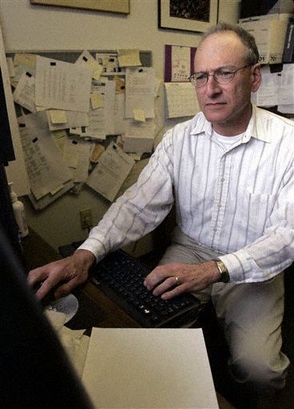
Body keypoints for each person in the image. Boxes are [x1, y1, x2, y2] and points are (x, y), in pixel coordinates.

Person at [28, 23, 294, 407]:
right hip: (189, 251)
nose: (211, 89)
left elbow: (286, 236)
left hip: (253, 262)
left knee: (260, 369)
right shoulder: (177, 139)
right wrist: (86, 253)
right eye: (201, 76)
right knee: (144, 337)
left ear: (254, 78)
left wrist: (215, 269)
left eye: (224, 73)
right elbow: (138, 204)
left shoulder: (287, 143)